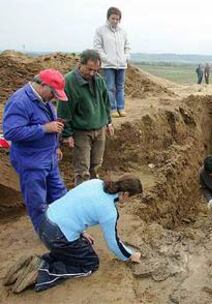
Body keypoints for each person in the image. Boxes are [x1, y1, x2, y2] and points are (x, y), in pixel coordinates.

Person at [3, 174, 143, 293]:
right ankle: (41, 272)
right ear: (125, 194)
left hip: (44, 221)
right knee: (90, 264)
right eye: (133, 198)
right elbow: (113, 242)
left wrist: (81, 232)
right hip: (57, 236)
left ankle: (35, 262)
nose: (131, 201)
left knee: (75, 249)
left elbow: (74, 203)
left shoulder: (95, 182)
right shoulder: (110, 212)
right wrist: (130, 255)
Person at [2, 69, 68, 231]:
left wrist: (56, 146)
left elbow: (52, 125)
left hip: (49, 158)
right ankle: (46, 234)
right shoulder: (20, 102)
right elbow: (11, 132)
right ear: (42, 85)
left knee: (60, 195)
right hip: (31, 162)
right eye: (53, 93)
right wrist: (44, 128)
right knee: (37, 202)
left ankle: (65, 226)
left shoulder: (44, 100)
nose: (54, 97)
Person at [58, 49, 114, 186]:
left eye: (96, 70)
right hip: (81, 132)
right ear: (80, 64)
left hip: (99, 129)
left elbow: (105, 102)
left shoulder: (99, 80)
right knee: (82, 170)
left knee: (95, 165)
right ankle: (81, 199)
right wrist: (67, 134)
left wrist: (109, 122)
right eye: (89, 69)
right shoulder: (69, 82)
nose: (92, 73)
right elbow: (64, 111)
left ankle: (93, 194)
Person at [94, 6, 131, 118]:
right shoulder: (100, 30)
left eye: (117, 19)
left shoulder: (123, 32)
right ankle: (112, 108)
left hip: (121, 65)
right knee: (109, 87)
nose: (115, 21)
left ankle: (121, 107)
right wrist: (106, 58)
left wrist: (125, 57)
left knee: (120, 87)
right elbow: (97, 47)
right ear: (108, 18)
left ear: (120, 19)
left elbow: (127, 47)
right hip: (108, 64)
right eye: (113, 18)